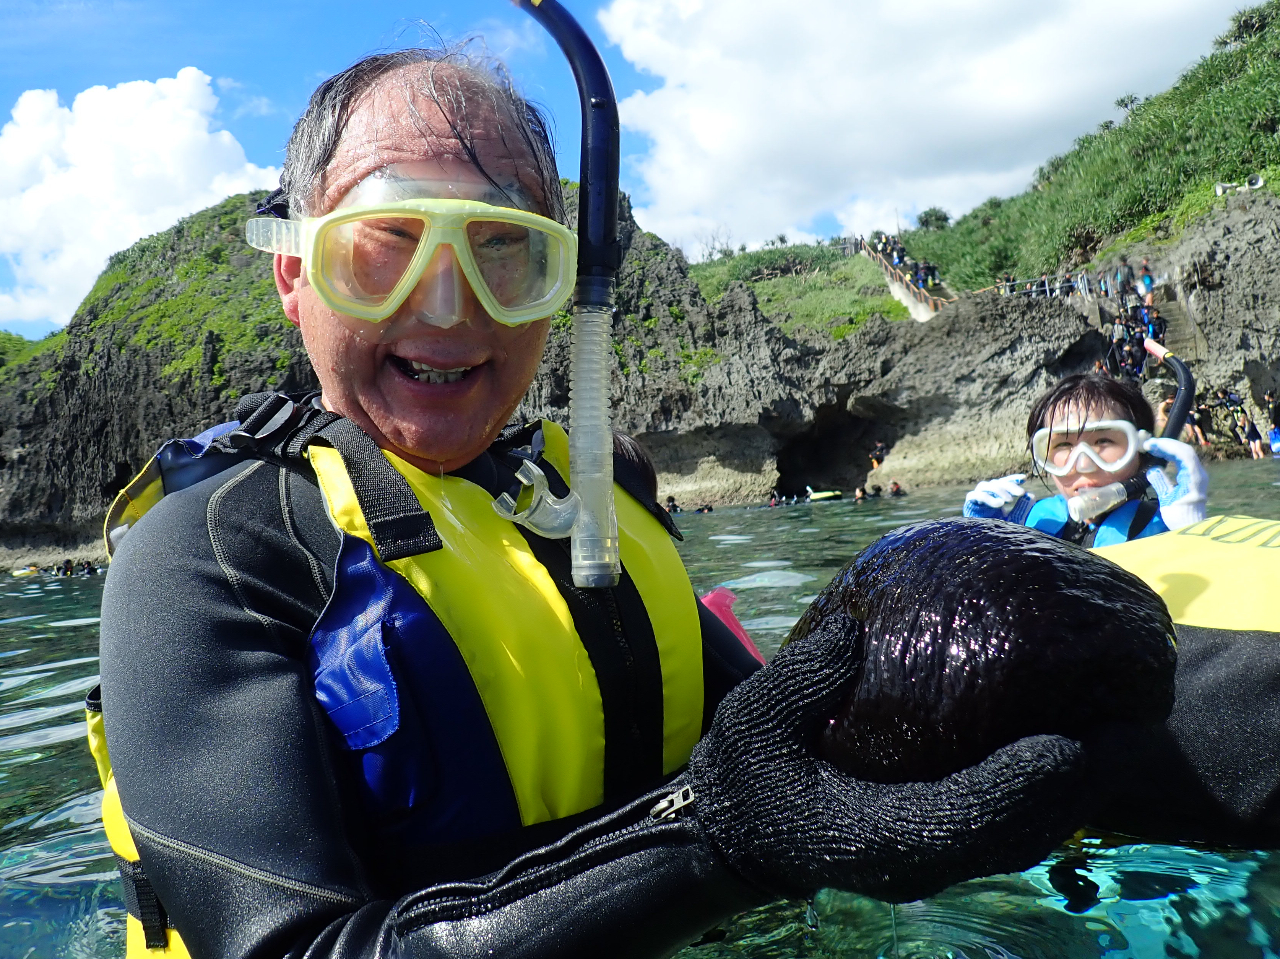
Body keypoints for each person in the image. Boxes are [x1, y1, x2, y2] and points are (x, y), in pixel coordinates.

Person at [92, 43, 1092, 959]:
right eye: (383, 245)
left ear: (566, 285)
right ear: (291, 272)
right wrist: (713, 845)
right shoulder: (211, 554)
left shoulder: (598, 491)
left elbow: (789, 741)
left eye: (505, 252)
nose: (447, 307)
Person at [962, 374, 1207, 548]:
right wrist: (984, 545)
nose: (1083, 465)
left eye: (1103, 441)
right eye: (1063, 445)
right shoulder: (1027, 527)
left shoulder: (1164, 526)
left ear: (1141, 450)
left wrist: (1191, 537)